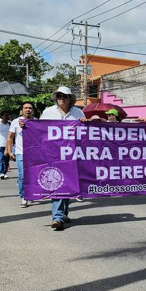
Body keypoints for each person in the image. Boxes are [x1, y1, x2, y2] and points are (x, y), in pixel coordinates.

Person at [40, 86, 85, 230]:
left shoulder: (78, 112)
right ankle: (57, 217)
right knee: (58, 184)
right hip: (53, 154)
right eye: (59, 95)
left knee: (68, 184)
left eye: (64, 96)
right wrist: (25, 125)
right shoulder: (48, 112)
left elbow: (86, 134)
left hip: (72, 155)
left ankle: (64, 212)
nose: (61, 98)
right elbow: (39, 129)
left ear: (70, 99)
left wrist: (85, 123)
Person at [5, 102, 35, 208]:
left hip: (34, 154)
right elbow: (9, 137)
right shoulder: (15, 122)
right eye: (25, 108)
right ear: (22, 110)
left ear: (33, 110)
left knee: (32, 176)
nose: (28, 110)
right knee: (22, 176)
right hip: (20, 153)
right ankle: (23, 197)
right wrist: (9, 151)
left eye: (30, 108)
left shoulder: (36, 122)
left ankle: (30, 194)